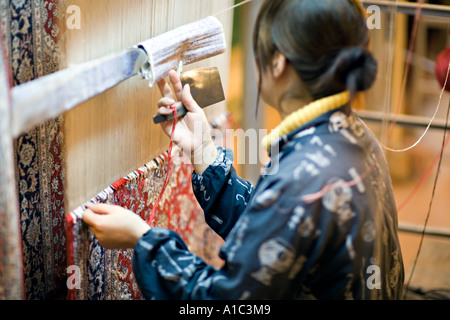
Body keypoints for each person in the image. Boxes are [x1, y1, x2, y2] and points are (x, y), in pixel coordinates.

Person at [83, 0, 404, 299]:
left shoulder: (301, 181)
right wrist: (204, 153)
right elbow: (280, 235)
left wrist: (142, 240)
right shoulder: (356, 136)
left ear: (277, 62)